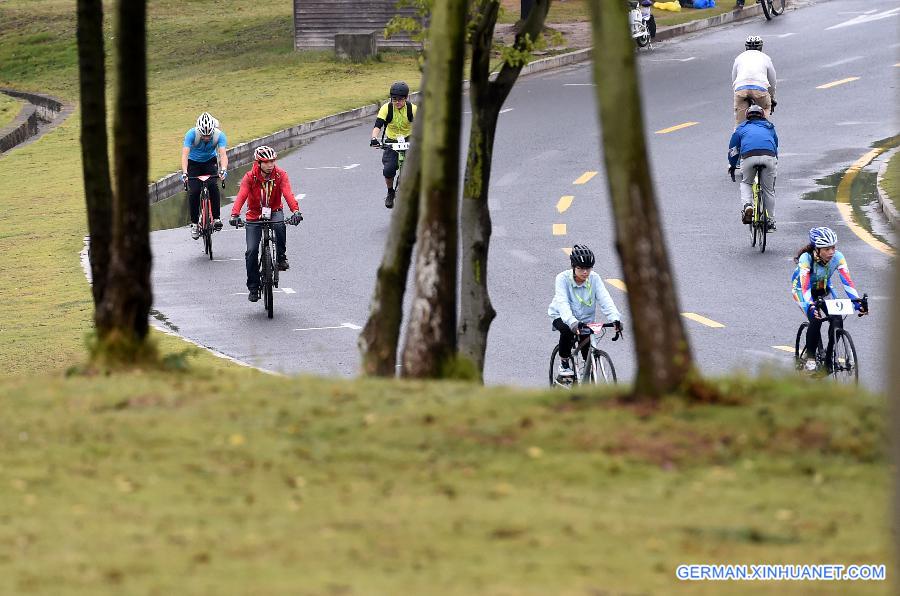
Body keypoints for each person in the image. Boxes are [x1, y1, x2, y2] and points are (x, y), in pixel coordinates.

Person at [229, 146, 303, 303]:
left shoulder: (280, 174)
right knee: (251, 251)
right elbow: (241, 196)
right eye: (267, 162)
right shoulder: (250, 177)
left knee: (280, 225)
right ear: (259, 163)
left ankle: (281, 257)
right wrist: (234, 214)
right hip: (254, 214)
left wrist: (296, 211)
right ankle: (253, 288)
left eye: (273, 161)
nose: (271, 165)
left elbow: (288, 193)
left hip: (275, 210)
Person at [791, 227, 867, 372]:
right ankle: (811, 357)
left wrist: (858, 303)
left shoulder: (838, 257)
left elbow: (847, 282)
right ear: (817, 249)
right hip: (802, 291)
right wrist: (811, 306)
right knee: (816, 319)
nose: (831, 252)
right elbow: (805, 286)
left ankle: (829, 358)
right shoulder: (806, 259)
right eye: (827, 249)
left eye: (833, 247)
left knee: (837, 319)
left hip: (824, 289)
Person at [548, 245, 623, 381]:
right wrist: (572, 322)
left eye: (588, 268)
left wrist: (615, 319)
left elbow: (605, 299)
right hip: (562, 316)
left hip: (585, 320)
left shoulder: (594, 278)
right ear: (573, 266)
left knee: (587, 349)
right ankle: (564, 363)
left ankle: (587, 376)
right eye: (581, 268)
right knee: (567, 331)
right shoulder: (562, 279)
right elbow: (563, 303)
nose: (585, 272)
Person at [728, 104, 778, 230]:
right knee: (768, 190)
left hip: (749, 157)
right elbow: (775, 145)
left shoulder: (741, 128)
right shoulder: (769, 127)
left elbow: (733, 149)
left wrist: (733, 165)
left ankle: (748, 206)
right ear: (762, 116)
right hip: (769, 156)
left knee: (746, 183)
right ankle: (770, 221)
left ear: (747, 116)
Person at [369, 81, 417, 209]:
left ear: (406, 98)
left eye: (400, 100)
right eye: (394, 99)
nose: (397, 102)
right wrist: (374, 138)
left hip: (409, 140)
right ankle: (390, 192)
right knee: (388, 170)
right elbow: (378, 125)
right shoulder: (387, 108)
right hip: (392, 141)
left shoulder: (412, 109)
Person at [182, 112, 229, 239]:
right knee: (195, 191)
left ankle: (217, 218)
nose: (207, 137)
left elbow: (223, 154)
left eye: (209, 135)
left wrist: (223, 169)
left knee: (213, 186)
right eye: (204, 135)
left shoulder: (219, 135)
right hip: (193, 164)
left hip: (210, 162)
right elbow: (185, 155)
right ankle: (194, 224)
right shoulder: (191, 134)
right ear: (199, 131)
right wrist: (185, 173)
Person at [732, 36, 777, 125]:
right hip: (760, 89)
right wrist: (772, 98)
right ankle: (765, 130)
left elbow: (734, 79)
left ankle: (738, 135)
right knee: (765, 116)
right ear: (761, 47)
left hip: (741, 89)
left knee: (739, 125)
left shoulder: (739, 58)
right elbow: (772, 81)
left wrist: (738, 96)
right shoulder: (766, 58)